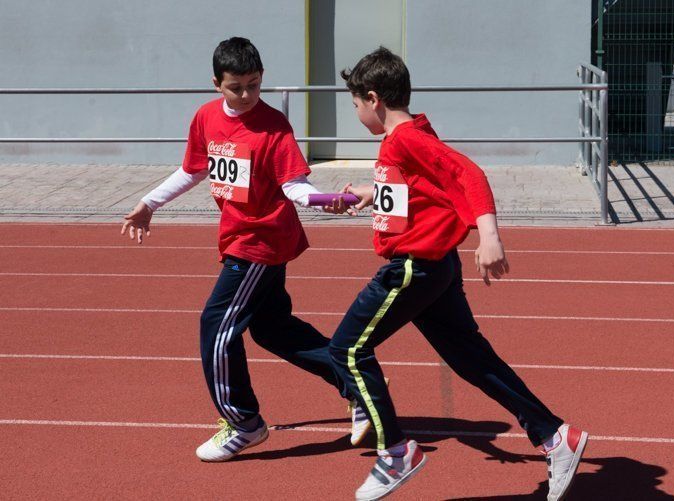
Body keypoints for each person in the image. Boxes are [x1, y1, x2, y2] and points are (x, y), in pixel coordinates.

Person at [328, 47, 587, 501]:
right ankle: (554, 436)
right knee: (473, 360)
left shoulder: (404, 138)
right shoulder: (411, 135)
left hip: (413, 268)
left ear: (373, 99)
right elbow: (423, 186)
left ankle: (395, 452)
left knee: (347, 350)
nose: (356, 114)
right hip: (437, 267)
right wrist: (374, 192)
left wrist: (489, 236)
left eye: (354, 105)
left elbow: (469, 174)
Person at [120, 36, 372, 462]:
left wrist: (332, 201)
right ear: (216, 83)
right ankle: (361, 387)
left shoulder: (273, 127)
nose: (246, 95)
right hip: (239, 235)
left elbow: (295, 186)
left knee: (215, 328)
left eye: (254, 85)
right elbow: (192, 170)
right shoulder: (205, 118)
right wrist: (148, 204)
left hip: (260, 241)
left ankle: (244, 423)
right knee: (274, 330)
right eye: (236, 87)